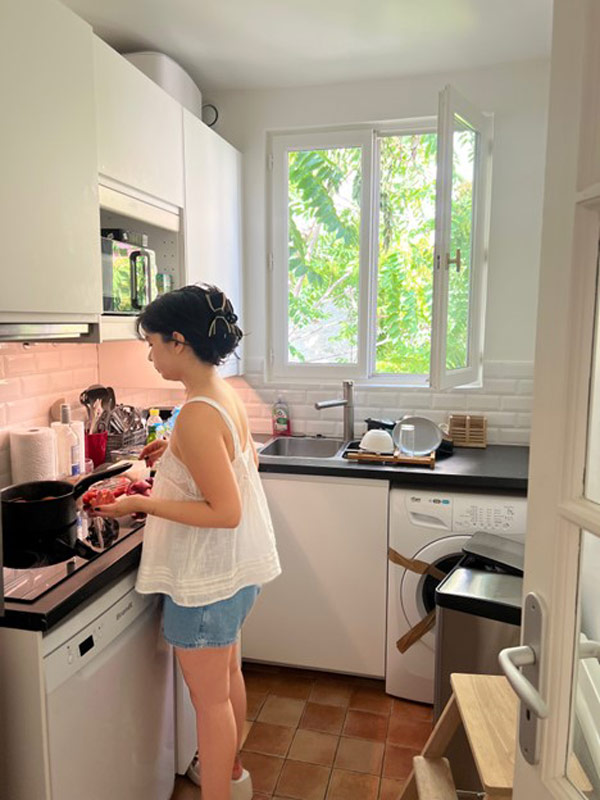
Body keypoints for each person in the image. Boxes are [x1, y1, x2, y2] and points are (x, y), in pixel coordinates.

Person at [94, 284, 281, 800]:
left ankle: (218, 792)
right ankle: (235, 774)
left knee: (210, 704)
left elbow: (225, 510)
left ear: (179, 341)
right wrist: (174, 454)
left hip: (206, 582)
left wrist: (143, 503)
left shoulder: (198, 412)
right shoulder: (219, 395)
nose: (150, 356)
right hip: (235, 572)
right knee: (228, 682)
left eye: (152, 344)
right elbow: (243, 465)